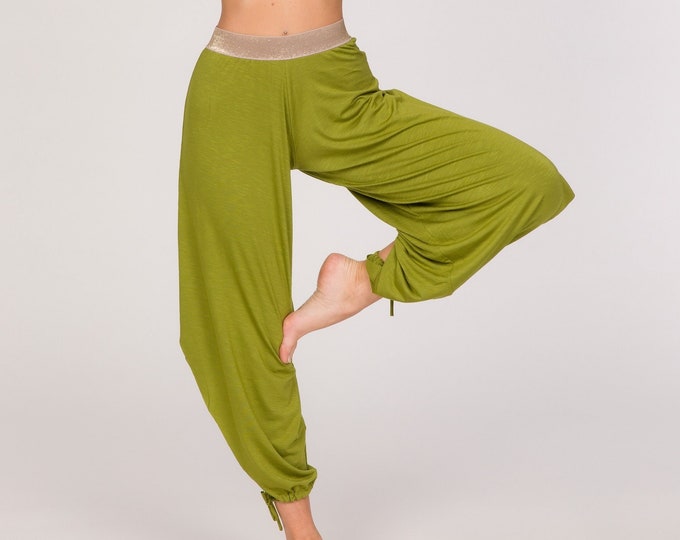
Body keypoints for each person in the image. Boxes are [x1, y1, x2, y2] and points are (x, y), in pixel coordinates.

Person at [177, 1, 575, 538]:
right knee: (234, 314)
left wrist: (376, 278)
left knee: (524, 180)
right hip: (232, 85)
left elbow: (526, 186)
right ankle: (299, 525)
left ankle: (360, 283)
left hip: (332, 81)